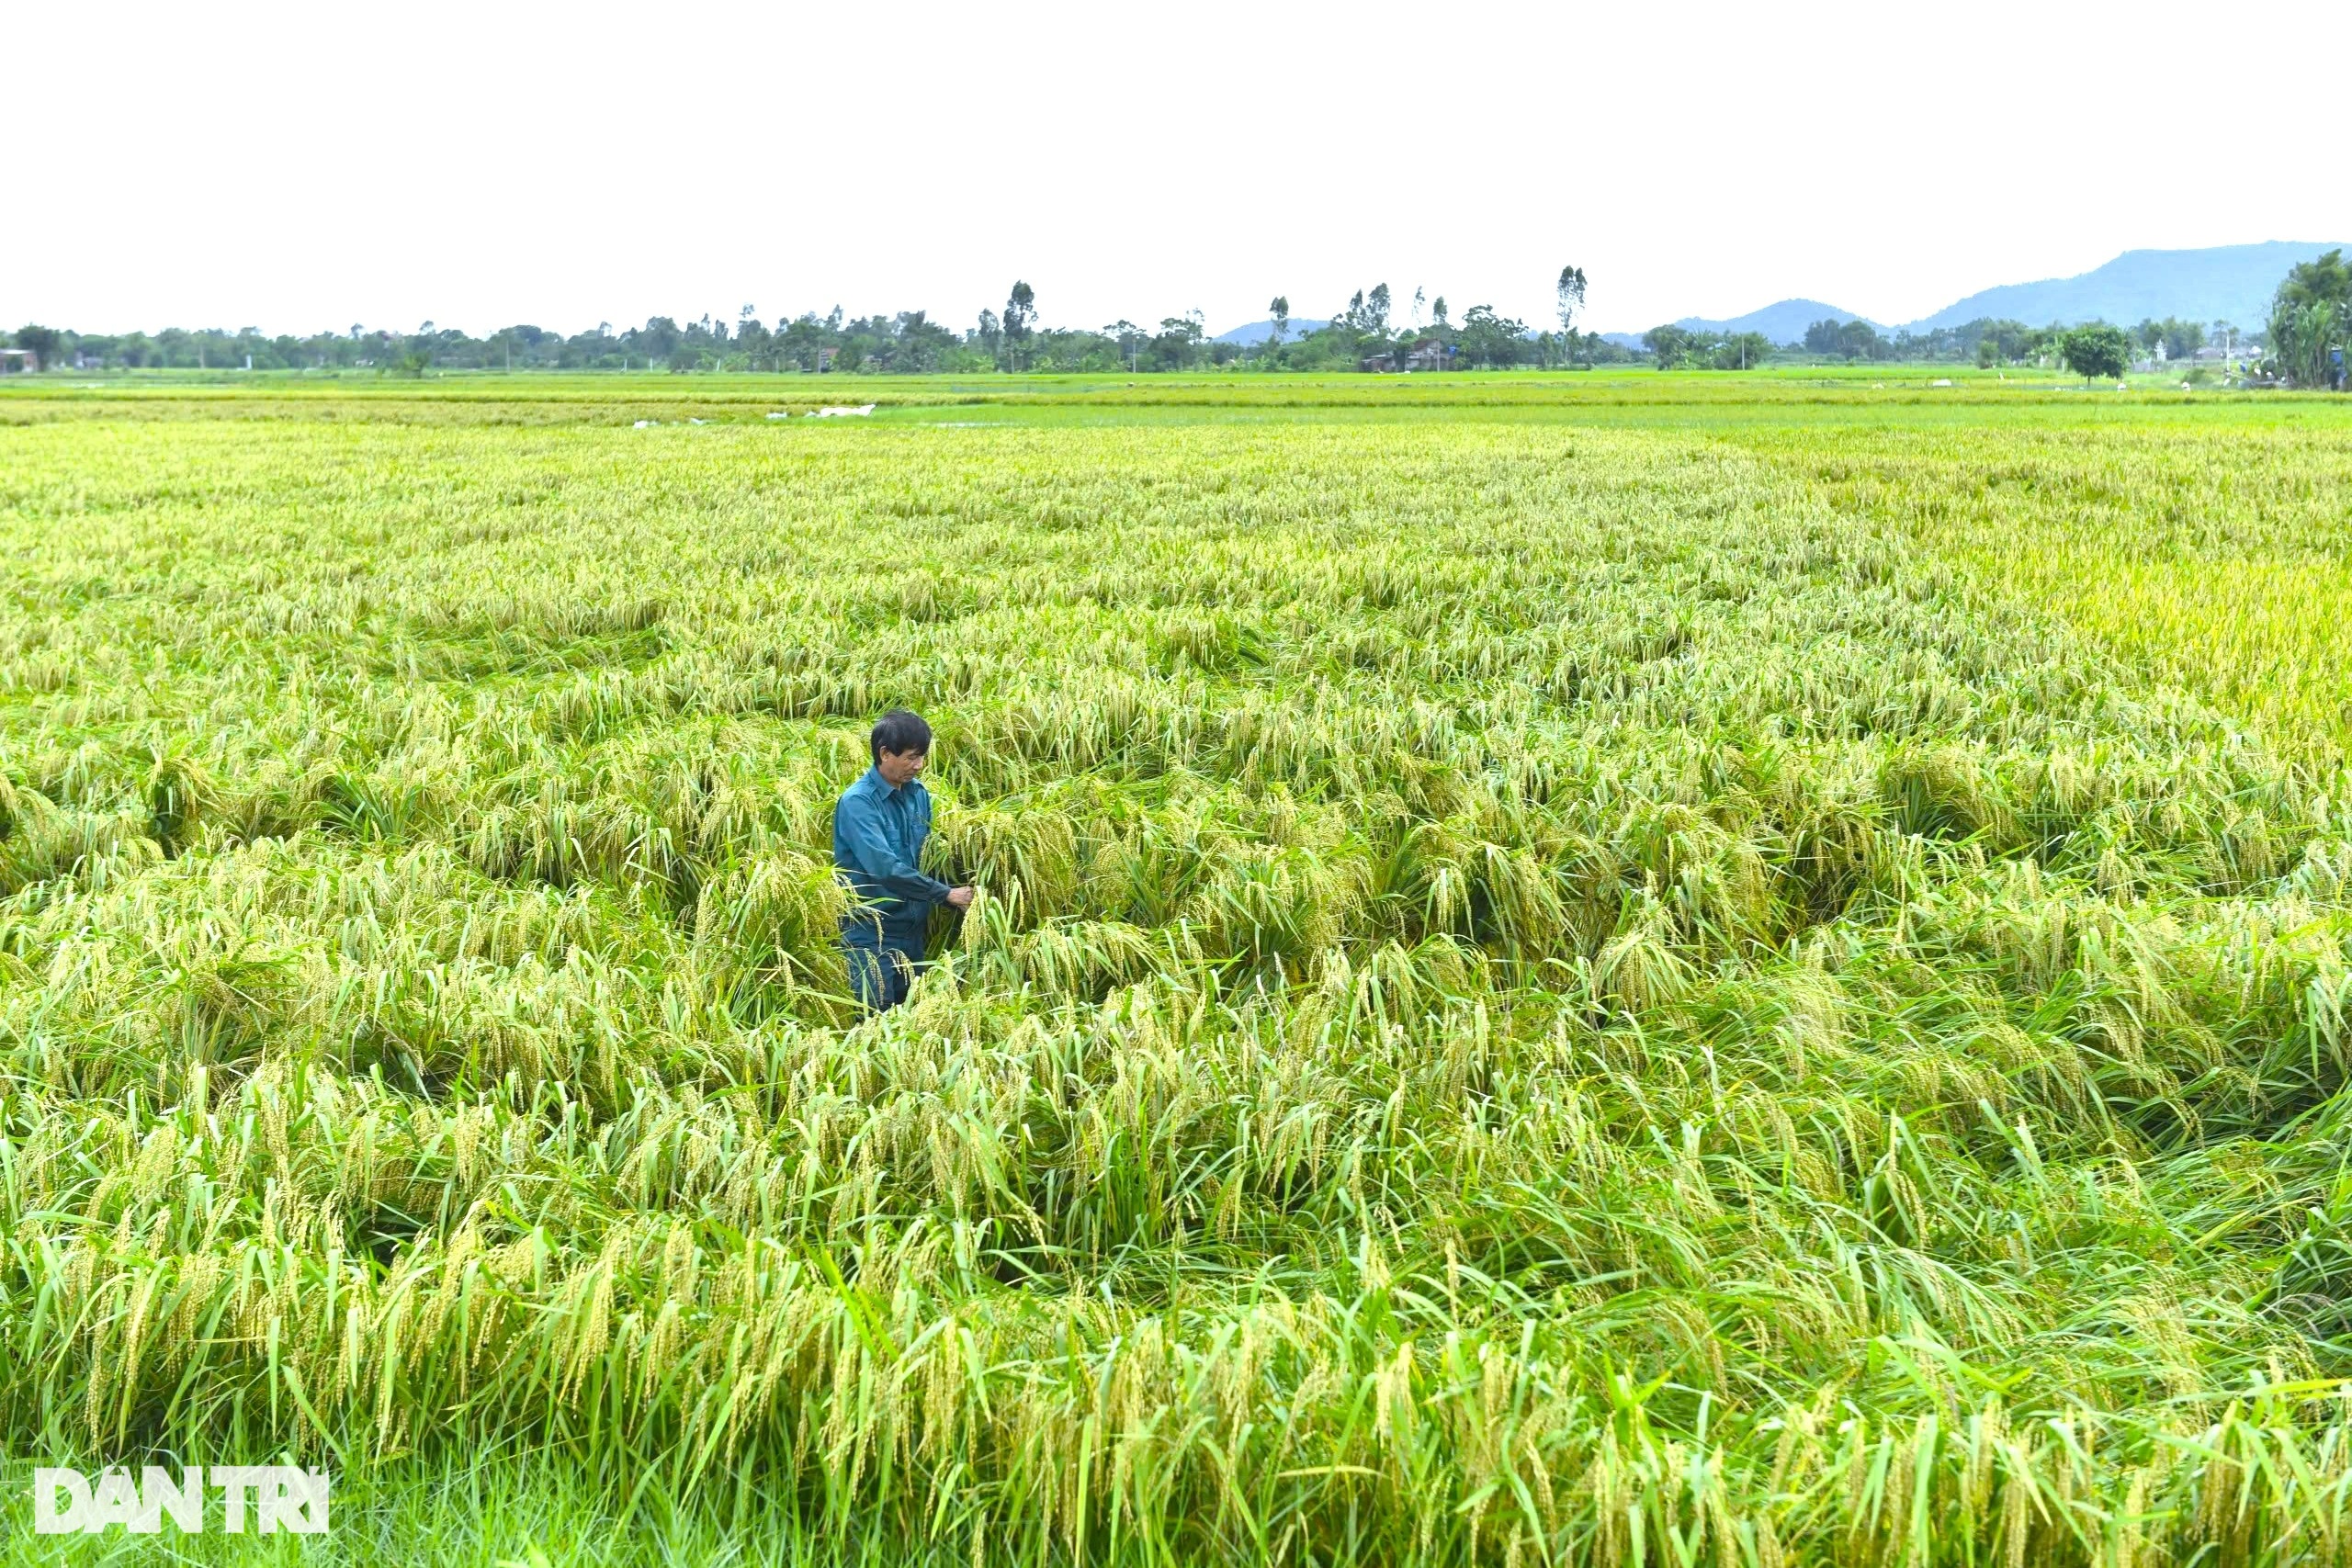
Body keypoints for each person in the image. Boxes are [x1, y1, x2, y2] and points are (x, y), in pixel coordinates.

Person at [832, 709, 975, 1010]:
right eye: (911, 757)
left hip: (912, 933)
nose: (919, 766)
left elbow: (927, 855)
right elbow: (885, 868)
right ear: (885, 753)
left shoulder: (918, 795)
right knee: (875, 1021)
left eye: (922, 756)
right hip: (871, 936)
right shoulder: (858, 803)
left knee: (912, 1018)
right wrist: (945, 894)